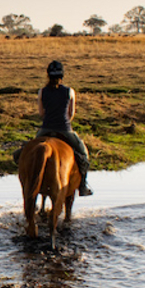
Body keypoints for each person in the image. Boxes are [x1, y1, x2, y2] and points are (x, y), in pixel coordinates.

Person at [34, 60, 93, 197]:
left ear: (48, 75)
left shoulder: (42, 91)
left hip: (46, 129)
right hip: (65, 129)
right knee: (84, 154)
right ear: (62, 75)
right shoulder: (69, 91)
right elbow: (71, 114)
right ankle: (83, 186)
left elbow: (41, 113)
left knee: (27, 151)